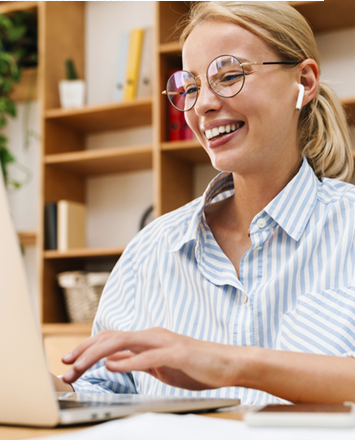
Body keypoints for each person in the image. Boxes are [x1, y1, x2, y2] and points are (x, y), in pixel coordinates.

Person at [54, 1, 355, 404]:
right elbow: (98, 393)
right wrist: (39, 390)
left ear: (303, 81)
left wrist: (229, 364)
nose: (202, 105)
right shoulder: (150, 251)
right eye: (190, 87)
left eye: (229, 75)